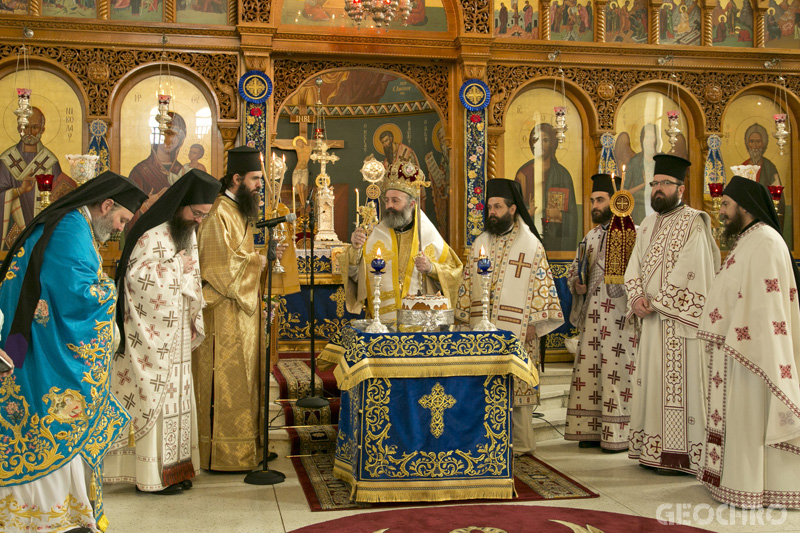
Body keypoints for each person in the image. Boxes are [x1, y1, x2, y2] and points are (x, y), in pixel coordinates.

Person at [0, 171, 147, 532]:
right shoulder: (72, 229)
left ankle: (60, 511)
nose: (119, 228)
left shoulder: (73, 223)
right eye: (122, 220)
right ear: (107, 205)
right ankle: (44, 516)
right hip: (44, 353)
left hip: (37, 342)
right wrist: (112, 293)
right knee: (52, 424)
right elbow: (79, 295)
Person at [104, 169, 221, 494]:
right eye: (196, 213)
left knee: (180, 400)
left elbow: (192, 277)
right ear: (182, 204)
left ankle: (178, 468)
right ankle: (154, 477)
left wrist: (183, 277)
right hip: (152, 337)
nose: (198, 220)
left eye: (203, 215)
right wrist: (173, 269)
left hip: (178, 332)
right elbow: (134, 280)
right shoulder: (151, 234)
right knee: (159, 399)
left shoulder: (187, 233)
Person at [697, 176, 800, 508]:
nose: (721, 211)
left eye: (726, 205)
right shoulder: (749, 239)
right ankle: (739, 483)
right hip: (738, 346)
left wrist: (738, 335)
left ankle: (758, 488)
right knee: (742, 419)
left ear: (744, 206)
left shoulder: (766, 241)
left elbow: (765, 303)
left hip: (754, 350)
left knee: (752, 416)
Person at [623, 154, 720, 475]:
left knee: (680, 389)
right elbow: (633, 263)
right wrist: (636, 295)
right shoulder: (647, 223)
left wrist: (660, 301)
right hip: (651, 325)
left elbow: (695, 270)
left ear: (680, 187)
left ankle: (680, 455)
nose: (658, 189)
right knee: (652, 384)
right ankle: (652, 449)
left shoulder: (695, 221)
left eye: (665, 184)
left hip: (678, 323)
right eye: (654, 184)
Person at [456, 179, 563, 455]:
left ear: (513, 208)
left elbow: (543, 287)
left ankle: (522, 445)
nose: (492, 212)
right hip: (482, 330)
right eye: (489, 207)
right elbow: (468, 285)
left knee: (517, 390)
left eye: (498, 207)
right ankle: (486, 443)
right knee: (484, 387)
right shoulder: (481, 242)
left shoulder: (531, 245)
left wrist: (534, 324)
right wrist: (463, 319)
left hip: (518, 329)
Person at [193, 146, 269, 471]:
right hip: (223, 315)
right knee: (227, 382)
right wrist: (259, 262)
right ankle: (226, 455)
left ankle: (247, 448)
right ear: (237, 178)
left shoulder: (238, 209)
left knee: (246, 378)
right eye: (255, 179)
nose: (259, 186)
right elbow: (218, 267)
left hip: (241, 312)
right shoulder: (217, 213)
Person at [565, 174, 637, 452]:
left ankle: (619, 432)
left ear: (617, 201)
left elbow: (640, 274)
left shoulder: (633, 233)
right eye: (592, 200)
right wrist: (577, 284)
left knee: (618, 374)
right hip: (593, 320)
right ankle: (590, 428)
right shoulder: (590, 236)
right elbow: (575, 269)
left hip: (622, 321)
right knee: (590, 373)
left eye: (600, 200)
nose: (595, 205)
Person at [341, 160, 462, 322]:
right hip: (381, 322)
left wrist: (432, 268)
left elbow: (455, 274)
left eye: (395, 201)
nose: (389, 205)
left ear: (412, 204)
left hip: (419, 323)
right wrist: (355, 250)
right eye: (387, 200)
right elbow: (356, 276)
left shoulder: (429, 237)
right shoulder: (375, 237)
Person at [0, 106, 65, 250]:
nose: (29, 132)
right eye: (25, 127)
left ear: (42, 129)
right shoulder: (6, 160)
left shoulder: (50, 161)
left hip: (43, 230)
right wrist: (19, 191)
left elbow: (59, 198)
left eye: (34, 127)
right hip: (13, 231)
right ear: (18, 128)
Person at [514, 123, 578, 251]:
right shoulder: (523, 175)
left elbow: (573, 217)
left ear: (553, 143)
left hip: (556, 243)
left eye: (545, 140)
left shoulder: (563, 175)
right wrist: (528, 213)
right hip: (529, 242)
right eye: (536, 139)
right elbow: (512, 212)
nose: (540, 144)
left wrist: (559, 215)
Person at [129, 111, 187, 214]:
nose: (173, 140)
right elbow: (127, 213)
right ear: (157, 136)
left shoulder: (182, 171)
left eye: (178, 136)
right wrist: (144, 206)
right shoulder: (140, 172)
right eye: (169, 133)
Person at [741, 123, 785, 227]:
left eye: (758, 141)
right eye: (752, 141)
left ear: (763, 143)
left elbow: (779, 199)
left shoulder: (770, 168)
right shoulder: (742, 167)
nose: (755, 146)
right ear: (747, 144)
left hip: (766, 219)